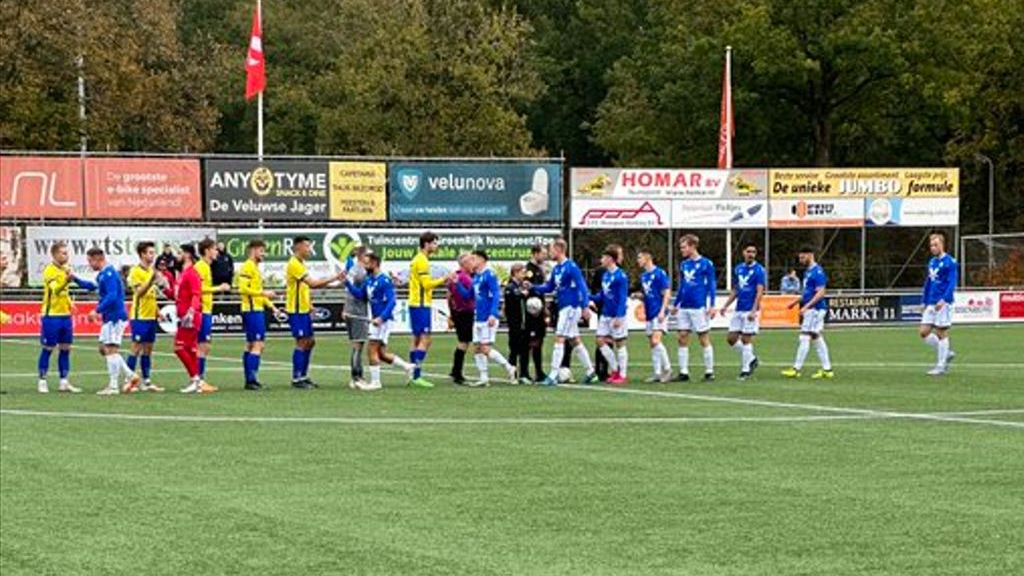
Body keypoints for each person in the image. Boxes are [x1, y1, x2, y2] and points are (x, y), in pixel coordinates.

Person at [528, 239, 598, 386]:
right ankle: (591, 372)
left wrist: (585, 306)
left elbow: (582, 286)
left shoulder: (571, 267)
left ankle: (553, 375)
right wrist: (532, 286)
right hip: (564, 308)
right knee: (574, 340)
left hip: (571, 307)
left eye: (552, 250)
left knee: (559, 337)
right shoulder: (557, 269)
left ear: (559, 250)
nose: (550, 253)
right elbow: (549, 287)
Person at [344, 252, 414, 391]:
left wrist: (382, 317)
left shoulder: (384, 280)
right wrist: (347, 283)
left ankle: (376, 383)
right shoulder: (369, 280)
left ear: (375, 263)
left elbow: (392, 301)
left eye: (367, 263)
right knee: (381, 353)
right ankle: (408, 367)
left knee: (371, 349)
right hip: (376, 320)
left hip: (384, 321)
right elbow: (360, 295)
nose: (364, 266)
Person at [36, 242, 95, 393]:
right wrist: (66, 281)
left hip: (65, 316)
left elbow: (65, 292)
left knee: (65, 348)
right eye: (63, 253)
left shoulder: (66, 269)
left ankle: (64, 381)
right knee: (48, 348)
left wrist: (70, 303)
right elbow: (55, 290)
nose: (66, 256)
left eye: (67, 253)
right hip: (51, 316)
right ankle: (42, 380)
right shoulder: (49, 270)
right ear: (55, 254)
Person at [286, 235, 344, 389]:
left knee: (310, 341)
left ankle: (303, 376)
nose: (309, 249)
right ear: (298, 247)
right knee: (302, 342)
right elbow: (312, 284)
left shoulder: (301, 263)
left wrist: (310, 304)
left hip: (303, 309)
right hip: (296, 310)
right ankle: (297, 378)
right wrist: (335, 277)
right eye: (307, 246)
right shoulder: (294, 264)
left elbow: (303, 288)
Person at [85, 248, 141, 396]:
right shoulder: (103, 275)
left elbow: (112, 296)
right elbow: (92, 286)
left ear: (97, 259)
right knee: (104, 348)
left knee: (110, 349)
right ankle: (130, 375)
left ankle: (113, 386)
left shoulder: (109, 274)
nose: (89, 265)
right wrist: (74, 279)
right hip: (109, 317)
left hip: (114, 317)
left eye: (90, 261)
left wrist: (97, 310)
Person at [456, 250, 516, 387]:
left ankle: (509, 367)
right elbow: (467, 296)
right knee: (477, 347)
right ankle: (483, 377)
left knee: (484, 347)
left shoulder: (490, 275)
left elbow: (496, 294)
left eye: (474, 258)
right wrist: (457, 284)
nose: (472, 261)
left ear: (482, 260)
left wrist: (493, 313)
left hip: (488, 317)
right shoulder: (476, 277)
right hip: (478, 317)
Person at [407, 231, 453, 388]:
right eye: (434, 243)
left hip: (416, 303)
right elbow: (426, 285)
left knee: (417, 339)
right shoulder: (422, 261)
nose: (436, 246)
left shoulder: (418, 259)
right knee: (426, 339)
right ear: (426, 244)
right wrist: (445, 278)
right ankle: (416, 375)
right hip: (421, 304)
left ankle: (412, 374)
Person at [781, 247, 834, 379]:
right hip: (813, 309)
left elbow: (821, 292)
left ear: (810, 255)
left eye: (802, 257)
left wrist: (806, 306)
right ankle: (827, 369)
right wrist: (795, 302)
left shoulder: (817, 272)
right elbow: (807, 293)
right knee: (816, 336)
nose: (801, 260)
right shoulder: (808, 272)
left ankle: (796, 369)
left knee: (804, 336)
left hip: (815, 309)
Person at [671, 234, 717, 382]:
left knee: (703, 338)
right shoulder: (684, 265)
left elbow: (711, 285)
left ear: (692, 246)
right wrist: (676, 304)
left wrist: (712, 305)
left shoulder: (706, 263)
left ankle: (709, 371)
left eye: (684, 247)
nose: (682, 250)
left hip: (698, 306)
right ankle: (683, 372)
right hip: (684, 306)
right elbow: (682, 286)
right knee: (682, 337)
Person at [718, 243, 766, 380]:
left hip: (751, 309)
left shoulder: (759, 270)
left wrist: (754, 310)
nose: (751, 254)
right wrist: (725, 305)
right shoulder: (738, 269)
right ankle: (752, 358)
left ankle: (745, 370)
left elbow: (760, 291)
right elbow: (736, 290)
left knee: (746, 339)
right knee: (731, 338)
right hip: (739, 308)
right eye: (749, 251)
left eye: (753, 252)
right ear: (743, 252)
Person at [124, 241, 167, 393]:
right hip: (139, 316)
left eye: (153, 252)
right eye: (150, 252)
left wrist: (157, 312)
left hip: (150, 316)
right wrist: (151, 280)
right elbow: (139, 293)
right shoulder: (135, 271)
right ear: (142, 254)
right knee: (136, 348)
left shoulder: (151, 271)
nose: (152, 255)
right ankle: (129, 381)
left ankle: (146, 381)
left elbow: (151, 296)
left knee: (148, 349)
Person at [238, 239, 278, 391]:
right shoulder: (248, 266)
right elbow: (242, 288)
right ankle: (252, 380)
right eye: (261, 251)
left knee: (251, 345)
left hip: (255, 309)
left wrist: (271, 306)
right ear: (253, 250)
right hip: (252, 310)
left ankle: (249, 380)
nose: (263, 254)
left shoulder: (254, 267)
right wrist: (263, 293)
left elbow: (257, 292)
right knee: (258, 344)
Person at [193, 239, 231, 391]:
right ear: (207, 251)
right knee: (202, 345)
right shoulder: (200, 266)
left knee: (204, 346)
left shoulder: (206, 266)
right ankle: (198, 380)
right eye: (214, 249)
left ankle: (199, 379)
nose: (216, 252)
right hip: (201, 310)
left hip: (206, 309)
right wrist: (219, 288)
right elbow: (198, 288)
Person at [590, 246, 630, 385]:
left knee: (620, 343)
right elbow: (603, 294)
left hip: (616, 314)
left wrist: (619, 316)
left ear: (610, 259)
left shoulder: (621, 276)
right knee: (600, 340)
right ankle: (615, 369)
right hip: (605, 313)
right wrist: (588, 297)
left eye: (603, 257)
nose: (601, 260)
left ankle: (623, 374)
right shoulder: (606, 275)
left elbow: (622, 298)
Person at [920, 232, 958, 375]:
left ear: (942, 245)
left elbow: (952, 282)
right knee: (924, 332)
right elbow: (928, 282)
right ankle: (946, 352)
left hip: (943, 303)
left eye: (935, 245)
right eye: (931, 245)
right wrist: (924, 301)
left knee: (941, 332)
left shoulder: (950, 262)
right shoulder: (932, 262)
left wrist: (944, 299)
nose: (933, 248)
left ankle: (941, 366)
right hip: (931, 302)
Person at [636, 250, 672, 382]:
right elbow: (648, 295)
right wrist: (639, 296)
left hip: (659, 312)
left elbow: (666, 293)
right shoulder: (643, 276)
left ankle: (667, 369)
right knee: (652, 343)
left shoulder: (659, 273)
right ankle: (657, 372)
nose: (638, 260)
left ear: (647, 258)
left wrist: (662, 311)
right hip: (650, 312)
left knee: (656, 341)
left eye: (640, 258)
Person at [175, 244, 205, 393]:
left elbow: (196, 294)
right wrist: (163, 286)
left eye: (179, 253)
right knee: (191, 349)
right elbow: (179, 296)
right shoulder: (183, 273)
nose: (177, 256)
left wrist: (191, 311)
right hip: (185, 315)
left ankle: (195, 378)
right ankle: (196, 380)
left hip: (190, 316)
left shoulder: (192, 273)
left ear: (187, 255)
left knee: (179, 347)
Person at [344, 245, 371, 389]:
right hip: (358, 311)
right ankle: (356, 377)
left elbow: (347, 289)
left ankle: (356, 377)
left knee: (357, 344)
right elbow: (361, 293)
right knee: (358, 345)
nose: (370, 258)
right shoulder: (362, 272)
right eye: (368, 255)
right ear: (361, 256)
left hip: (350, 310)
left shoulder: (353, 269)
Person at [447, 253, 475, 385]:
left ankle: (455, 370)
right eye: (471, 260)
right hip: (465, 312)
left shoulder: (456, 275)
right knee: (464, 342)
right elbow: (467, 296)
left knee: (463, 341)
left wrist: (452, 314)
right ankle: (457, 372)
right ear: (465, 263)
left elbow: (449, 296)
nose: (473, 263)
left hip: (458, 312)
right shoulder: (465, 278)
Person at [504, 263, 534, 385]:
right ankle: (513, 373)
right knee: (514, 350)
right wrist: (522, 294)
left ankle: (524, 374)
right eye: (522, 273)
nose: (524, 275)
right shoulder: (510, 287)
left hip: (524, 324)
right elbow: (513, 298)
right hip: (515, 324)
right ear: (515, 273)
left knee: (525, 349)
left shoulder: (521, 286)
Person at [524, 245, 549, 382]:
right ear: (535, 253)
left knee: (539, 341)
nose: (545, 256)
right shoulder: (529, 270)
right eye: (543, 254)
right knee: (530, 342)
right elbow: (528, 291)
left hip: (539, 312)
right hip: (532, 313)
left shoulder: (540, 269)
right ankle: (525, 372)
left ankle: (539, 372)